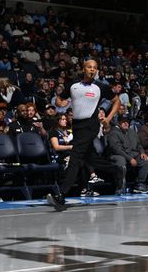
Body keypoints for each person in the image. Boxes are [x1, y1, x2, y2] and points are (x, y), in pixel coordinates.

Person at [46, 59, 123, 211]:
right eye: (89, 67)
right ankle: (116, 170)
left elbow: (117, 101)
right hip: (77, 125)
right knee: (90, 157)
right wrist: (60, 102)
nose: (92, 70)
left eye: (95, 68)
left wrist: (108, 118)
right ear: (83, 68)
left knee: (75, 157)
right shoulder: (73, 86)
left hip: (91, 125)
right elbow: (60, 99)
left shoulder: (101, 87)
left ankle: (61, 196)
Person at [107, 115, 148, 193]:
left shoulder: (132, 132)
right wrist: (130, 159)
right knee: (121, 161)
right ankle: (120, 186)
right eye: (123, 122)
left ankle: (139, 184)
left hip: (133, 154)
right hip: (118, 155)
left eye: (127, 121)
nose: (126, 123)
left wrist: (142, 152)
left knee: (145, 160)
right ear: (118, 123)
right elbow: (116, 149)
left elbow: (138, 144)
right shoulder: (113, 132)